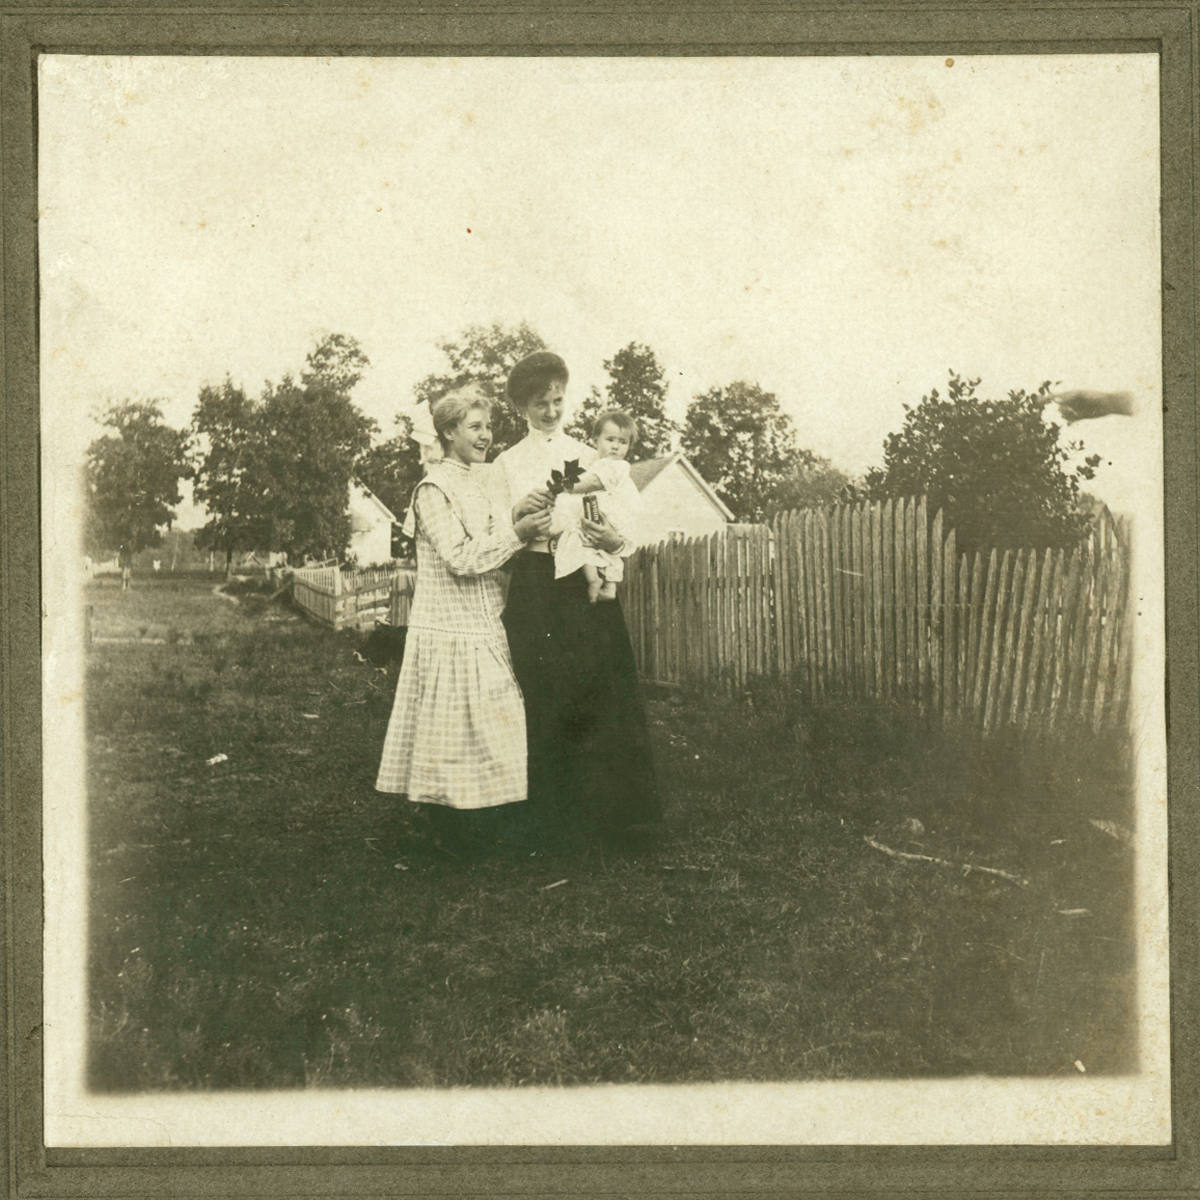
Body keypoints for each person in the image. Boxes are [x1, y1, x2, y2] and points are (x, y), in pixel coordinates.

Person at [490, 351, 662, 848]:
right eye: (540, 403)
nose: (550, 411)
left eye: (558, 400)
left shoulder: (592, 457)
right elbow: (496, 534)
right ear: (522, 406)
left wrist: (614, 541)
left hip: (583, 578)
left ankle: (610, 817)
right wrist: (522, 528)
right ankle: (547, 820)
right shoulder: (506, 463)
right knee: (542, 691)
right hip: (535, 582)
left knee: (599, 690)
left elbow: (625, 518)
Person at [375, 385, 552, 853]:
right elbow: (459, 558)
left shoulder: (482, 481)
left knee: (495, 722)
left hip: (484, 620)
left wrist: (518, 516)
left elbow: (495, 543)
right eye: (475, 427)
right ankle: (445, 829)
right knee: (448, 734)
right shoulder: (432, 488)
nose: (486, 436)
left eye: (488, 426)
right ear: (449, 432)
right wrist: (516, 532)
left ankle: (483, 822)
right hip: (448, 627)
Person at [554, 409, 642, 603]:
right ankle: (609, 587)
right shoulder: (600, 464)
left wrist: (566, 487)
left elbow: (592, 483)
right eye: (610, 440)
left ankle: (593, 580)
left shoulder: (615, 466)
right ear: (596, 441)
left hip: (611, 516)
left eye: (622, 442)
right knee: (604, 553)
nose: (616, 447)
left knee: (582, 542)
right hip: (609, 516)